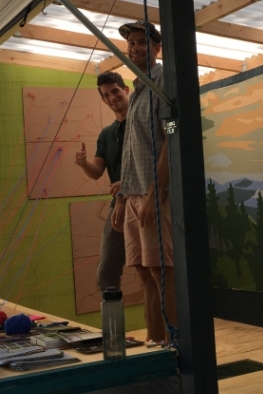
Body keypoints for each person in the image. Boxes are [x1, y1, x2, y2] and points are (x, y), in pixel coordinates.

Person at [112, 20, 177, 347]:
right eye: (130, 43)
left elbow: (171, 138)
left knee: (163, 274)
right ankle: (155, 341)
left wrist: (154, 194)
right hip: (134, 196)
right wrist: (123, 198)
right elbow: (133, 150)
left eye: (141, 42)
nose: (134, 48)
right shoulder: (138, 88)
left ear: (157, 47)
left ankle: (177, 345)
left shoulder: (163, 81)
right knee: (143, 273)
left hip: (154, 195)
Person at [75, 71, 130, 292]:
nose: (112, 98)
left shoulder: (142, 124)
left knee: (151, 270)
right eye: (106, 95)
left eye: (115, 91)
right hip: (118, 206)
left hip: (146, 201)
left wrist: (127, 187)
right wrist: (83, 163)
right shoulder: (106, 134)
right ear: (103, 99)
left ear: (126, 90)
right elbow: (97, 172)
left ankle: (161, 326)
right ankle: (114, 327)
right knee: (106, 273)